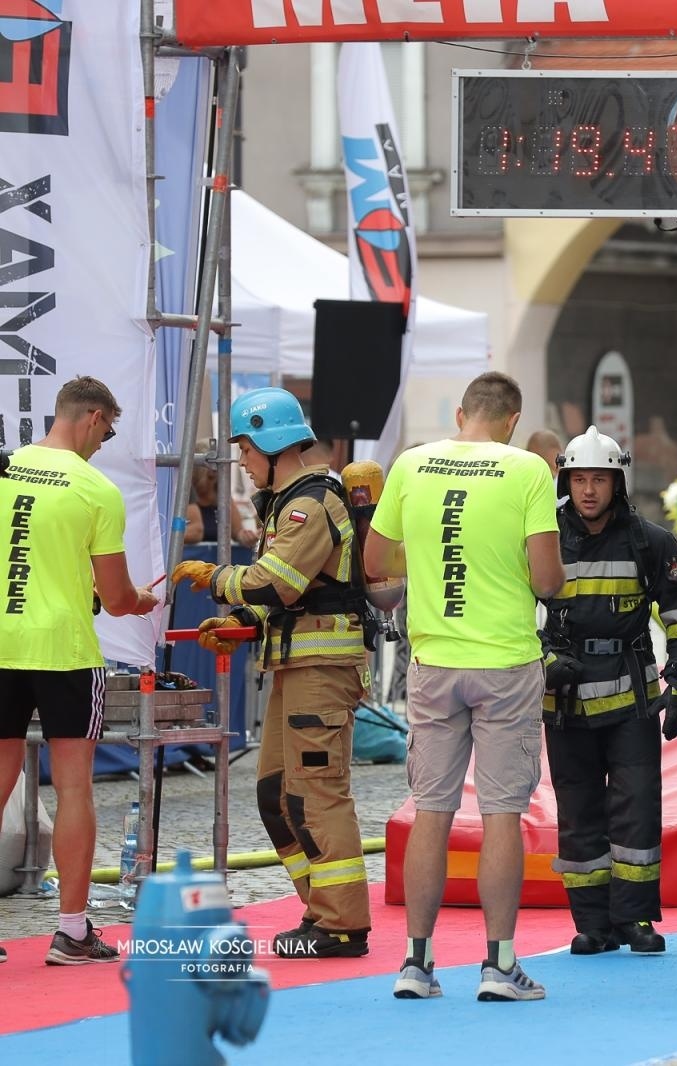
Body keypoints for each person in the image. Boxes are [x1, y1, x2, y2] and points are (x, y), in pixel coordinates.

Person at [365, 371, 565, 1001]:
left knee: (432, 812)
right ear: (512, 420)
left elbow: (375, 565)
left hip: (433, 659)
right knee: (503, 814)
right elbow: (547, 579)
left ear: (461, 414)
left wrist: (430, 562)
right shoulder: (528, 471)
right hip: (505, 660)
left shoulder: (411, 464)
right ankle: (499, 966)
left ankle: (416, 964)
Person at [173, 387, 373, 959]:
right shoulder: (285, 501)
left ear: (270, 441)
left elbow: (277, 580)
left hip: (322, 668)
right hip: (294, 665)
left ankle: (341, 925)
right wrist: (239, 621)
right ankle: (321, 910)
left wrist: (217, 580)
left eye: (244, 448)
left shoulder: (312, 501)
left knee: (315, 793)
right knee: (274, 796)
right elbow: (284, 594)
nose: (241, 461)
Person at [0, 377, 160, 965]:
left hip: (1, 643)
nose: (106, 442)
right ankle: (70, 931)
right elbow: (116, 598)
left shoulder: (6, 467)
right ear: (93, 417)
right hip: (64, 652)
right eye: (109, 430)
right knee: (72, 788)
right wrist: (141, 600)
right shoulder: (95, 488)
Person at [539, 426, 677, 955]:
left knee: (636, 809)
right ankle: (591, 924)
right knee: (578, 808)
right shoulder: (542, 538)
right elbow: (514, 614)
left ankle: (634, 920)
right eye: (579, 479)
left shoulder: (649, 541)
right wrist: (544, 658)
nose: (588, 490)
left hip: (632, 699)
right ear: (566, 480)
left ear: (618, 482)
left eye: (599, 480)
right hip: (564, 699)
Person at [184, 463, 259, 547]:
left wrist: (246, 536)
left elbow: (237, 532)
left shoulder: (224, 500)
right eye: (209, 477)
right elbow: (196, 531)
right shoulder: (185, 500)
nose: (210, 481)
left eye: (212, 477)